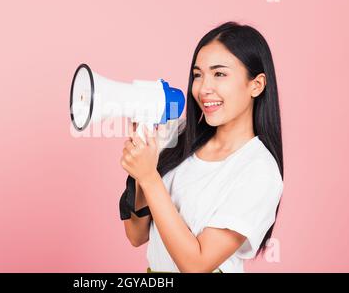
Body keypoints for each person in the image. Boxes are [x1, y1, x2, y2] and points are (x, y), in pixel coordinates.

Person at [119, 21, 284, 273]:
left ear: (256, 85)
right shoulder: (178, 135)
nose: (204, 89)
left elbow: (196, 265)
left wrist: (150, 177)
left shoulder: (260, 171)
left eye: (219, 74)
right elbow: (136, 235)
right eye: (198, 75)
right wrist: (140, 171)